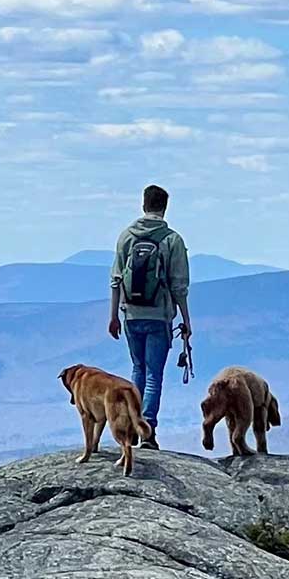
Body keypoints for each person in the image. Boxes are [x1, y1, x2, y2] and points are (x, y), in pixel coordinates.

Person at [108, 184, 191, 450]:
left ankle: (132, 426)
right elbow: (179, 286)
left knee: (138, 370)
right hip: (159, 316)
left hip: (130, 314)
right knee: (154, 374)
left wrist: (113, 316)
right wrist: (186, 320)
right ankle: (148, 430)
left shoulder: (126, 237)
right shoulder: (172, 240)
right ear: (165, 207)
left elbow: (115, 280)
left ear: (143, 204)